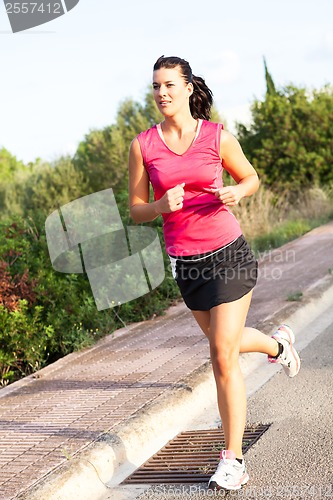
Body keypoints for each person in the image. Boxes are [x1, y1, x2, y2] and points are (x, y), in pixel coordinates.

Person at [128, 55, 301, 492]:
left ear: (188, 88)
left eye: (169, 84)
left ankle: (233, 459)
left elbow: (251, 178)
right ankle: (278, 345)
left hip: (229, 255)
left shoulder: (216, 136)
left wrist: (236, 191)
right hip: (187, 265)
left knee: (222, 355)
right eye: (155, 86)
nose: (161, 93)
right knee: (224, 343)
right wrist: (159, 206)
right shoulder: (143, 145)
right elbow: (135, 210)